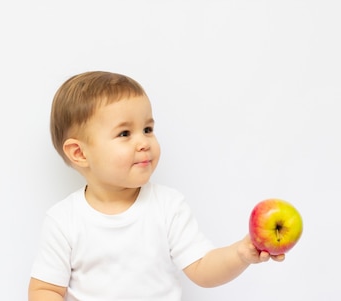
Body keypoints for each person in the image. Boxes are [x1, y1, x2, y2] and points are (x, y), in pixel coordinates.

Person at [28, 71, 285, 301]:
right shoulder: (64, 220)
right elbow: (44, 290)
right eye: (125, 133)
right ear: (79, 153)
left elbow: (203, 268)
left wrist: (240, 254)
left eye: (148, 129)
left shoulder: (168, 206)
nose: (143, 142)